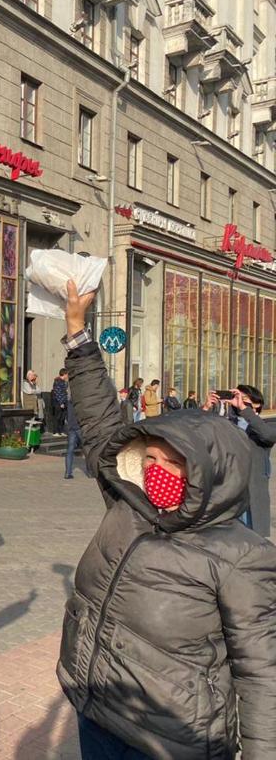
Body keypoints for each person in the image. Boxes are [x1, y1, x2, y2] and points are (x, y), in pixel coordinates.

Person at [57, 280, 276, 760]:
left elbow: (262, 675)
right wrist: (77, 332)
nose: (159, 471)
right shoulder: (130, 506)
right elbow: (99, 423)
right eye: (152, 458)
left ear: (212, 474)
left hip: (171, 744)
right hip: (96, 714)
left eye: (176, 462)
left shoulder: (243, 557)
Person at [227, 385, 276, 537]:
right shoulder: (228, 423)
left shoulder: (267, 424)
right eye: (237, 397)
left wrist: (244, 409)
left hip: (253, 484)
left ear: (257, 404)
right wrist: (208, 408)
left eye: (245, 398)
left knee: (253, 531)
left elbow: (268, 436)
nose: (239, 401)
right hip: (231, 486)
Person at [63, 386, 83, 479]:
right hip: (78, 426)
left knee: (70, 450)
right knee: (87, 448)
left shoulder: (69, 401)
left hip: (71, 427)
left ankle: (67, 472)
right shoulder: (79, 402)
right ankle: (92, 471)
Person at [51, 368, 69, 434]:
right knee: (58, 417)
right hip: (58, 402)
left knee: (62, 417)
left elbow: (64, 391)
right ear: (64, 374)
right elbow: (58, 393)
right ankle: (56, 432)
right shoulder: (58, 381)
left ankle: (61, 431)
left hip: (64, 401)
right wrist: (61, 403)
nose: (67, 376)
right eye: (67, 374)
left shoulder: (64, 382)